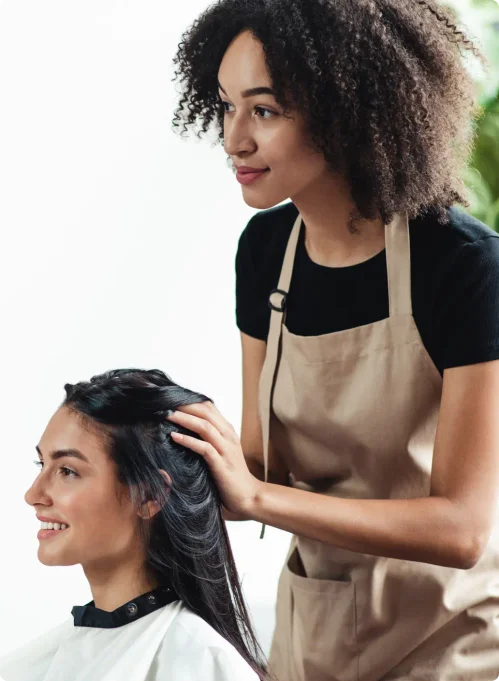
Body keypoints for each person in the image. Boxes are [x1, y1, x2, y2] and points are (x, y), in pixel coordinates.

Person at [170, 1, 499, 680]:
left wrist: (256, 499)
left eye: (263, 110)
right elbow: (259, 461)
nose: (234, 139)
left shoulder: (463, 266)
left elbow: (462, 530)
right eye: (226, 106)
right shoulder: (265, 252)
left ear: (349, 106)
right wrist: (151, 461)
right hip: (314, 629)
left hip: (452, 638)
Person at [0, 369, 266, 681]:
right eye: (42, 464)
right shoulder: (38, 661)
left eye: (68, 471)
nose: (33, 495)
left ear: (149, 495)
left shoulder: (200, 662)